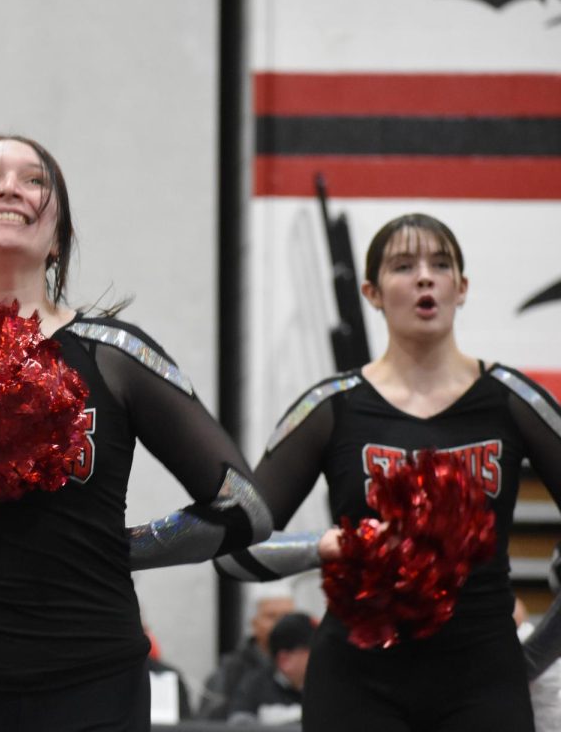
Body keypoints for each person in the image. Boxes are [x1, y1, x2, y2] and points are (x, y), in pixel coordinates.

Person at [0, 135, 273, 730]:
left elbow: (245, 508)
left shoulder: (116, 356)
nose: (11, 186)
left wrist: (119, 547)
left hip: (92, 687)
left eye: (35, 180)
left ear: (57, 238)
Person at [216, 213, 561, 731]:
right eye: (404, 266)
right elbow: (232, 549)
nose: (425, 277)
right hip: (358, 682)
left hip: (483, 677)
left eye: (440, 264)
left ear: (461, 288)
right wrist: (325, 545)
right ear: (372, 292)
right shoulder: (332, 407)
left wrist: (537, 651)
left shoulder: (513, 399)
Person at [195, 586, 296, 720]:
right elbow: (207, 724)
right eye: (271, 616)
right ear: (254, 622)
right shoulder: (229, 673)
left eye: (287, 616)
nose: (281, 624)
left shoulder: (307, 667)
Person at [226, 611, 314, 727]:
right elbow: (238, 724)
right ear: (285, 660)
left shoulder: (327, 686)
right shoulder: (253, 687)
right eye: (313, 651)